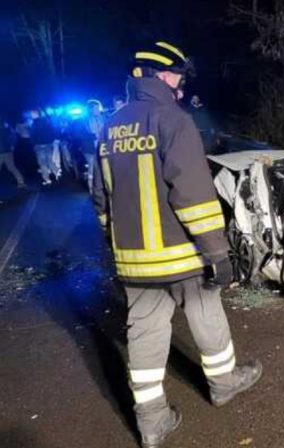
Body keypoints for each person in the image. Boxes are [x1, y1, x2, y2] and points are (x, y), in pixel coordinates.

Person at [91, 41, 262, 448]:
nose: (180, 85)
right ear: (159, 75)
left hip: (134, 261)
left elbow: (100, 199)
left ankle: (151, 421)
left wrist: (116, 245)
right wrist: (217, 251)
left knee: (145, 331)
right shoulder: (173, 120)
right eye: (177, 77)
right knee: (205, 309)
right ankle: (223, 382)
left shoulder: (109, 128)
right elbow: (193, 194)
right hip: (182, 254)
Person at [30, 109, 58, 185]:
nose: (31, 115)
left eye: (32, 114)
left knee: (42, 163)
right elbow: (52, 131)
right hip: (48, 144)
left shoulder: (34, 124)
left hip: (39, 146)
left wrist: (33, 144)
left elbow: (32, 135)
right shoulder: (46, 122)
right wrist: (51, 140)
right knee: (50, 160)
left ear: (36, 114)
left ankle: (47, 179)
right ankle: (56, 173)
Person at [0, 121, 26, 188]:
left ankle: (21, 182)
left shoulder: (7, 130)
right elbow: (14, 137)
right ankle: (21, 182)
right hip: (8, 151)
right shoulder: (7, 130)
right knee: (12, 167)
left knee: (12, 167)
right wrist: (12, 146)